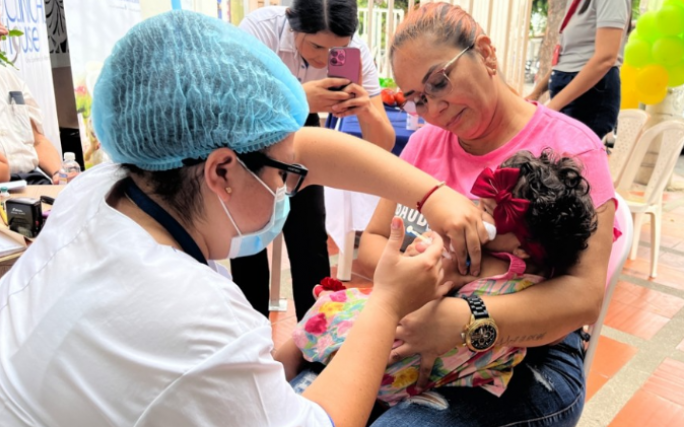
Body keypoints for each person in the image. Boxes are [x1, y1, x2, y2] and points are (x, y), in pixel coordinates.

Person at [0, 11, 487, 427]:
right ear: (221, 171)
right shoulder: (193, 318)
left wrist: (429, 193)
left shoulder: (98, 188)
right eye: (285, 175)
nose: (289, 187)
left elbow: (306, 149)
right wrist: (386, 304)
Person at [357, 3, 617, 426]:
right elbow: (370, 244)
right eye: (418, 100)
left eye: (439, 82)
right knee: (304, 401)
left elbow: (583, 296)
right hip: (416, 321)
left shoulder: (570, 148)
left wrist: (463, 318)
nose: (435, 110)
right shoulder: (424, 146)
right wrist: (429, 275)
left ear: (486, 54)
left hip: (531, 353)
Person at [279, 150, 598, 408]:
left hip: (395, 356)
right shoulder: (534, 278)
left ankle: (282, 371)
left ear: (522, 248)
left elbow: (423, 286)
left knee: (322, 319)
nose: (474, 213)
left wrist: (432, 253)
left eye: (486, 211)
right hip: (420, 368)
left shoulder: (477, 259)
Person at [234, 0, 396, 321]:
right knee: (248, 241)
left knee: (310, 240)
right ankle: (250, 337)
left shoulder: (355, 51)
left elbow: (383, 143)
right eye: (316, 45)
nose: (324, 57)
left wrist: (364, 108)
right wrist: (298, 97)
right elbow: (235, 112)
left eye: (337, 49)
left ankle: (317, 336)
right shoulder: (258, 31)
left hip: (304, 136)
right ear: (292, 21)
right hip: (249, 136)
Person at [526, 0, 631, 139]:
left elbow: (605, 58)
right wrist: (536, 93)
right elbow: (566, 59)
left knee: (573, 157)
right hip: (570, 91)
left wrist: (552, 107)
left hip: (590, 93)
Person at [0, 22, 63, 184]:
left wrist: (58, 174)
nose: (3, 30)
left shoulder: (10, 79)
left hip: (33, 179)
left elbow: (38, 141)